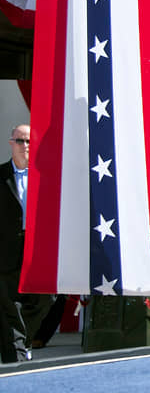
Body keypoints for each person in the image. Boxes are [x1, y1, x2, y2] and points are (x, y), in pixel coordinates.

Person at [0, 124, 52, 362]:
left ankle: (22, 340)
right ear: (11, 144)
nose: (25, 146)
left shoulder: (47, 176)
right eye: (20, 141)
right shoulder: (0, 176)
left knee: (46, 297)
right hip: (7, 251)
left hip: (38, 250)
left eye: (29, 141)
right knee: (10, 303)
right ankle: (17, 355)